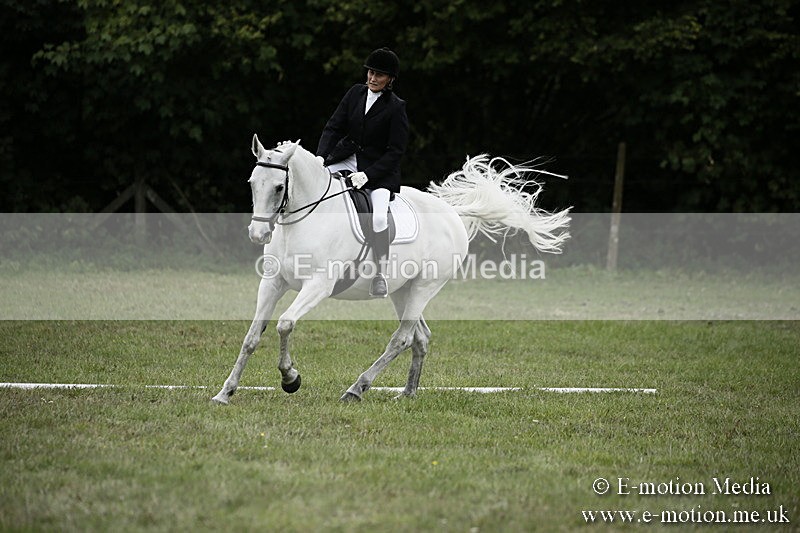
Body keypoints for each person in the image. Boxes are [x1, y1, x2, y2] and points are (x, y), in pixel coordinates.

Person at [316, 47, 409, 298]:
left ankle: (381, 272)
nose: (372, 77)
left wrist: (368, 175)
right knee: (316, 187)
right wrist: (320, 158)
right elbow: (333, 127)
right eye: (370, 72)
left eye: (379, 74)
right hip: (347, 159)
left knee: (378, 218)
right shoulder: (355, 94)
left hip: (379, 171)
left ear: (390, 79)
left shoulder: (396, 107)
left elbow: (395, 152)